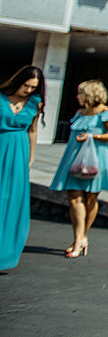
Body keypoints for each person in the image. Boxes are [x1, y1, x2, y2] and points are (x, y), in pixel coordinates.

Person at [49, 78, 108, 258]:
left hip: (95, 158)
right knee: (74, 198)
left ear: (89, 94)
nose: (77, 96)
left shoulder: (105, 113)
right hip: (74, 158)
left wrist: (92, 136)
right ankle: (78, 238)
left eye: (80, 93)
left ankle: (82, 237)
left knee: (90, 199)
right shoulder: (80, 113)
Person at [0, 65, 44, 270]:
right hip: (2, 145)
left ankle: (5, 255)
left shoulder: (35, 102)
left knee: (12, 202)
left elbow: (33, 131)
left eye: (33, 87)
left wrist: (30, 159)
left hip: (19, 153)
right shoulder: (1, 96)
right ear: (18, 81)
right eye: (26, 85)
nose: (28, 90)